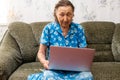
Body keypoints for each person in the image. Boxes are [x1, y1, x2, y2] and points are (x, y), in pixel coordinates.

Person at [27, 0, 93, 80]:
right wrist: (44, 62)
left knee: (88, 76)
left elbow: (84, 53)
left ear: (73, 15)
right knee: (48, 76)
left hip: (75, 70)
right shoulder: (48, 28)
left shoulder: (79, 29)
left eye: (69, 15)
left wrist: (82, 64)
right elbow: (41, 52)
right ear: (56, 14)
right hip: (54, 70)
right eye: (62, 15)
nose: (65, 19)